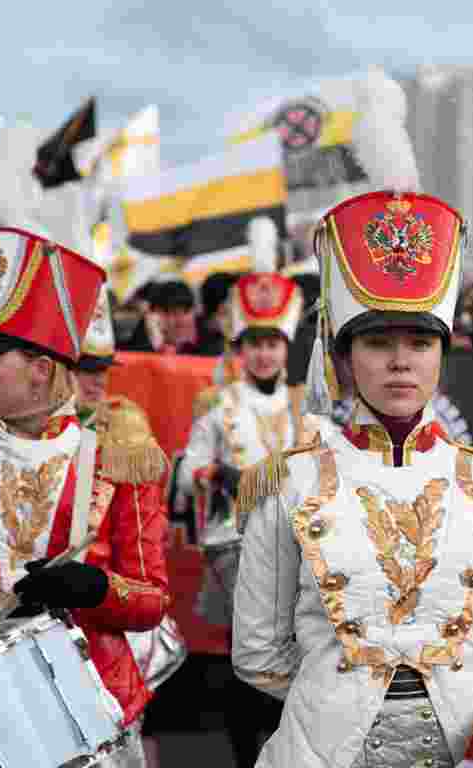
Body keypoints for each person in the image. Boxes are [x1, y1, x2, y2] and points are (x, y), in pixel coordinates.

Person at [232, 189, 473, 768]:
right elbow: (258, 650)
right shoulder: (289, 483)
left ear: (443, 353)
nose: (401, 361)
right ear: (343, 357)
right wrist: (341, 694)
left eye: (420, 342)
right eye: (378, 342)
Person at [0, 226, 170, 768]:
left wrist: (96, 588)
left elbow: (151, 600)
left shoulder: (121, 458)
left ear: (41, 370)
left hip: (97, 708)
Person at [178, 268, 318, 767]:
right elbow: (186, 471)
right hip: (235, 545)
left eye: (272, 344)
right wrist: (219, 472)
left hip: (302, 547)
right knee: (252, 658)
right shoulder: (217, 407)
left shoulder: (307, 406)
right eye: (254, 344)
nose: (263, 354)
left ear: (285, 348)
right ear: (240, 349)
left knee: (303, 658)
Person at [73, 282, 184, 768]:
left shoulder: (124, 430)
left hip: (108, 641)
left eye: (102, 370)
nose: (97, 382)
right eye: (84, 369)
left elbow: (146, 577)